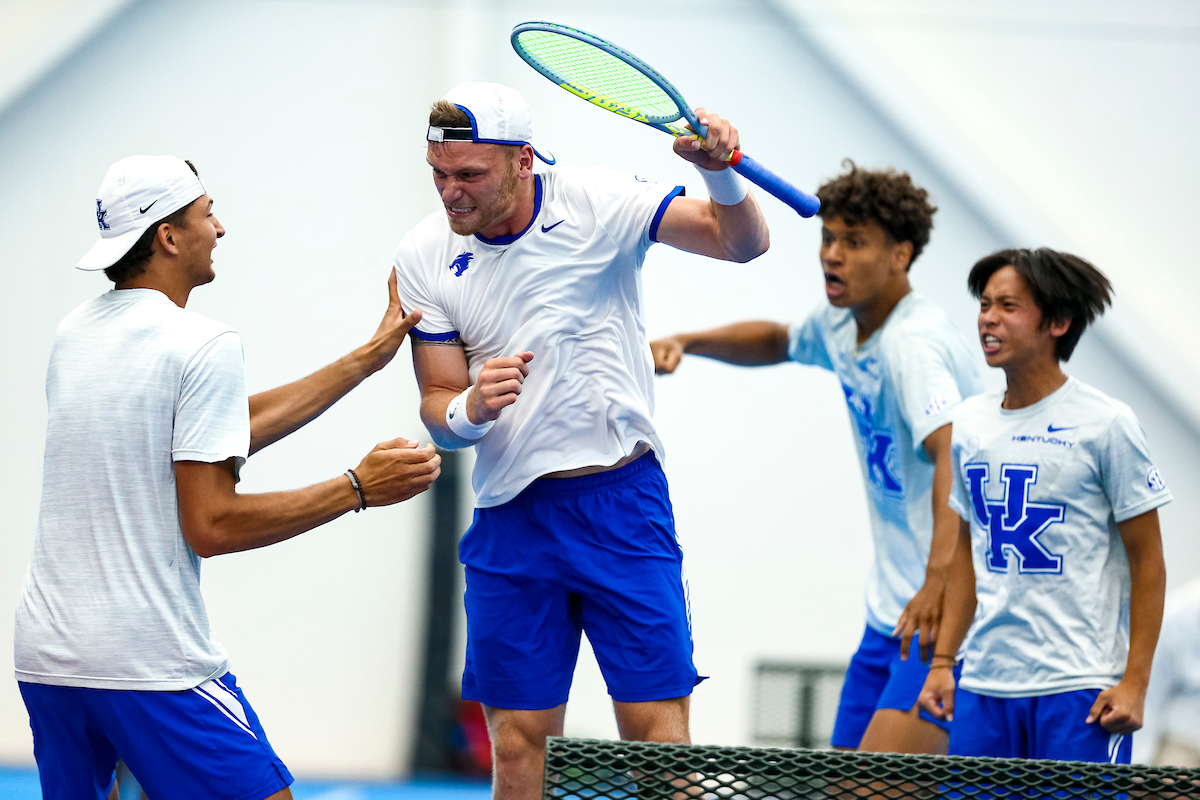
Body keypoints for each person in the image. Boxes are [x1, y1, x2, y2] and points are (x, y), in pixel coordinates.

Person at [14, 155, 442, 800]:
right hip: (148, 660)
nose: (219, 228)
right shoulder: (201, 343)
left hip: (48, 653)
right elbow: (211, 524)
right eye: (207, 214)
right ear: (168, 236)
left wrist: (364, 360)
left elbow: (206, 434)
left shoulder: (76, 333)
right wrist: (357, 488)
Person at [391, 82, 769, 800]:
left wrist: (719, 171)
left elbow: (742, 244)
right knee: (515, 746)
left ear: (523, 160)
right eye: (438, 174)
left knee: (659, 747)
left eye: (469, 175)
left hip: (621, 504)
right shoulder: (422, 254)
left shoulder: (599, 201)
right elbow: (438, 406)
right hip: (510, 516)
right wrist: (472, 406)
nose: (450, 193)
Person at [651, 162, 983, 754]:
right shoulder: (843, 324)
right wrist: (689, 341)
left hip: (941, 608)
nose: (832, 254)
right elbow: (779, 340)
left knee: (877, 786)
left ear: (901, 254)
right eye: (828, 238)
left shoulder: (913, 344)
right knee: (838, 782)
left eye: (854, 242)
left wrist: (937, 581)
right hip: (890, 611)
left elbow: (954, 456)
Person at [918, 247, 1169, 763]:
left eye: (1008, 306)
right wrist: (943, 663)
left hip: (1079, 688)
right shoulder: (969, 422)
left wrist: (1135, 683)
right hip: (985, 683)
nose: (988, 318)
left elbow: (1148, 562)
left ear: (1058, 322)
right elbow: (967, 551)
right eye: (984, 304)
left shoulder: (1108, 423)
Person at [1135, 577, 1200, 767]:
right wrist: (1140, 766)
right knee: (1176, 775)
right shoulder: (1178, 614)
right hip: (1186, 741)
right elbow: (1150, 695)